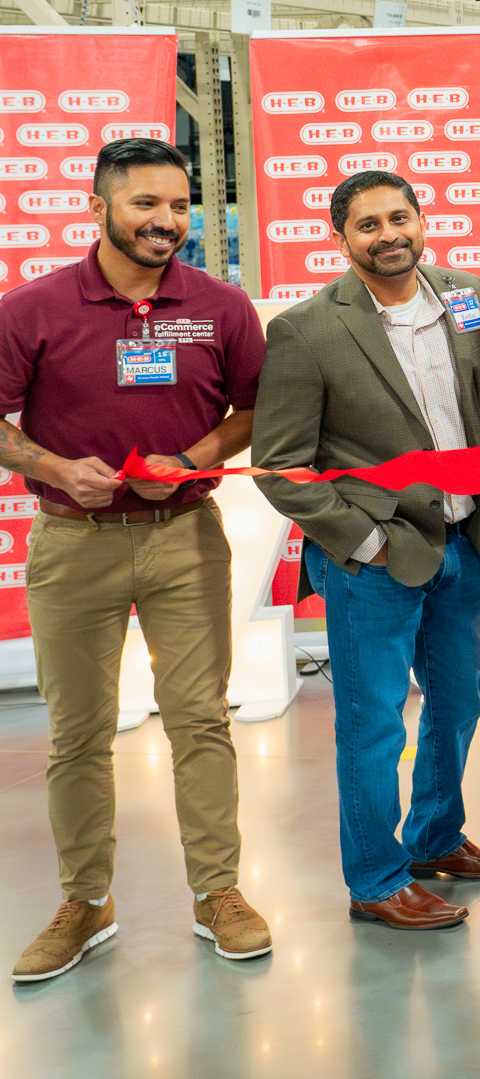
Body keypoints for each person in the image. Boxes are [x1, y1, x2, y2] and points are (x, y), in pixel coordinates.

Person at [0, 139, 271, 981]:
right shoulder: (31, 308)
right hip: (72, 547)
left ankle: (217, 893)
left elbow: (254, 408)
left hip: (185, 540)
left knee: (201, 722)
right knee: (79, 734)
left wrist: (194, 458)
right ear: (99, 206)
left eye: (179, 206)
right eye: (145, 205)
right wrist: (50, 468)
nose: (165, 222)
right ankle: (86, 900)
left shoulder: (221, 306)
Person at [251, 169, 480, 932]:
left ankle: (434, 837)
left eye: (398, 217)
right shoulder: (308, 329)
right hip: (371, 562)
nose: (388, 234)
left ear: (422, 220)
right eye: (367, 225)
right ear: (340, 240)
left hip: (462, 543)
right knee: (371, 726)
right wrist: (363, 539)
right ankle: (374, 880)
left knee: (460, 698)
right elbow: (279, 462)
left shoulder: (464, 296)